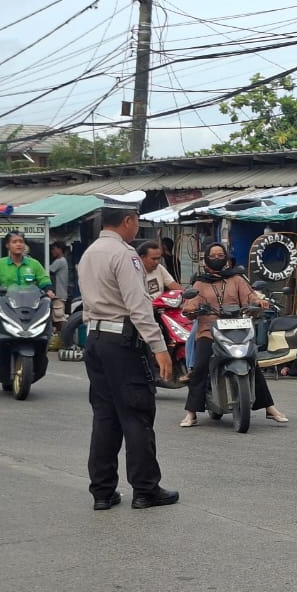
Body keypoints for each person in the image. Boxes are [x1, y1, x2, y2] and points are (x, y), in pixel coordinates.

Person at [77, 204, 179, 510]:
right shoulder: (124, 254)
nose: (137, 228)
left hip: (95, 339)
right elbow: (138, 306)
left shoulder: (89, 253)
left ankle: (102, 492)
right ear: (127, 220)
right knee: (136, 413)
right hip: (122, 342)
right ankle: (146, 489)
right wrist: (159, 347)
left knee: (105, 417)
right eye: (136, 221)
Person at [178, 242, 288, 427]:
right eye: (213, 256)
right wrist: (191, 308)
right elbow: (190, 304)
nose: (217, 258)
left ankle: (269, 408)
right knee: (200, 366)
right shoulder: (200, 283)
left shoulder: (236, 279)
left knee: (252, 362)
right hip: (209, 331)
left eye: (220, 255)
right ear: (206, 260)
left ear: (226, 258)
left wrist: (259, 302)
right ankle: (191, 413)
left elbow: (250, 296)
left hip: (236, 329)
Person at [0, 231, 55, 369]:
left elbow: (44, 280)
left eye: (21, 241)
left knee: (47, 322)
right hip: (5, 305)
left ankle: (42, 354)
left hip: (30, 306)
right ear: (7, 245)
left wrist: (49, 290)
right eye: (14, 242)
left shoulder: (34, 264)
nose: (18, 244)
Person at [48, 241, 71, 334]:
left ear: (60, 249)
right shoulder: (62, 261)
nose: (52, 251)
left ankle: (67, 337)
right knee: (56, 319)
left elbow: (48, 270)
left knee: (59, 318)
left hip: (58, 294)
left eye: (54, 249)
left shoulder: (60, 261)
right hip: (60, 294)